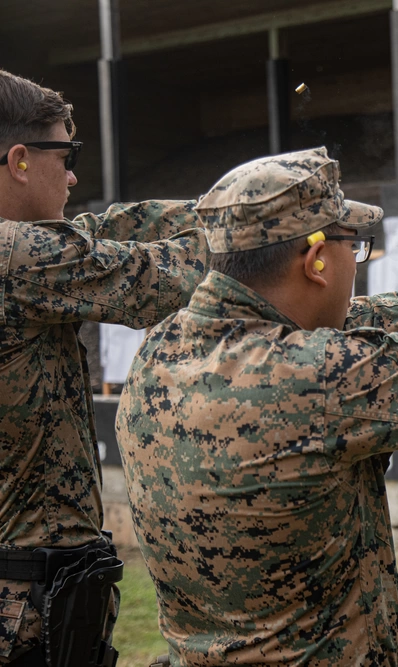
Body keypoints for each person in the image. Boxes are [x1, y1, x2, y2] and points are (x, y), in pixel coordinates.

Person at [114, 147, 398, 666]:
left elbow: (353, 319)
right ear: (316, 260)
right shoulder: (311, 377)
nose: (357, 261)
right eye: (355, 246)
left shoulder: (163, 346)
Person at [0, 70, 209, 666]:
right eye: (64, 155)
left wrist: (222, 205)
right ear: (19, 160)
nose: (71, 173)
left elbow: (100, 230)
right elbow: (153, 279)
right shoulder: (15, 255)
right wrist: (265, 228)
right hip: (25, 606)